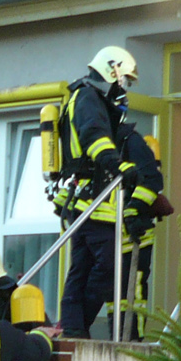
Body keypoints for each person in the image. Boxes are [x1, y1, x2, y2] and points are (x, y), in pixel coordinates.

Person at [57, 46, 139, 338]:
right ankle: (76, 325)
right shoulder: (90, 98)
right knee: (106, 266)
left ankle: (73, 327)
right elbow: (94, 137)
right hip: (93, 198)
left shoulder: (86, 96)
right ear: (112, 70)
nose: (124, 87)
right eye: (124, 80)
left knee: (83, 266)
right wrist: (118, 166)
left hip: (87, 197)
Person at [116, 121, 168, 341]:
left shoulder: (131, 143)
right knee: (116, 293)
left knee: (135, 289)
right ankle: (118, 333)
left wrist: (133, 212)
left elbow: (152, 183)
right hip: (116, 233)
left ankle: (133, 339)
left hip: (137, 234)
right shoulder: (113, 143)